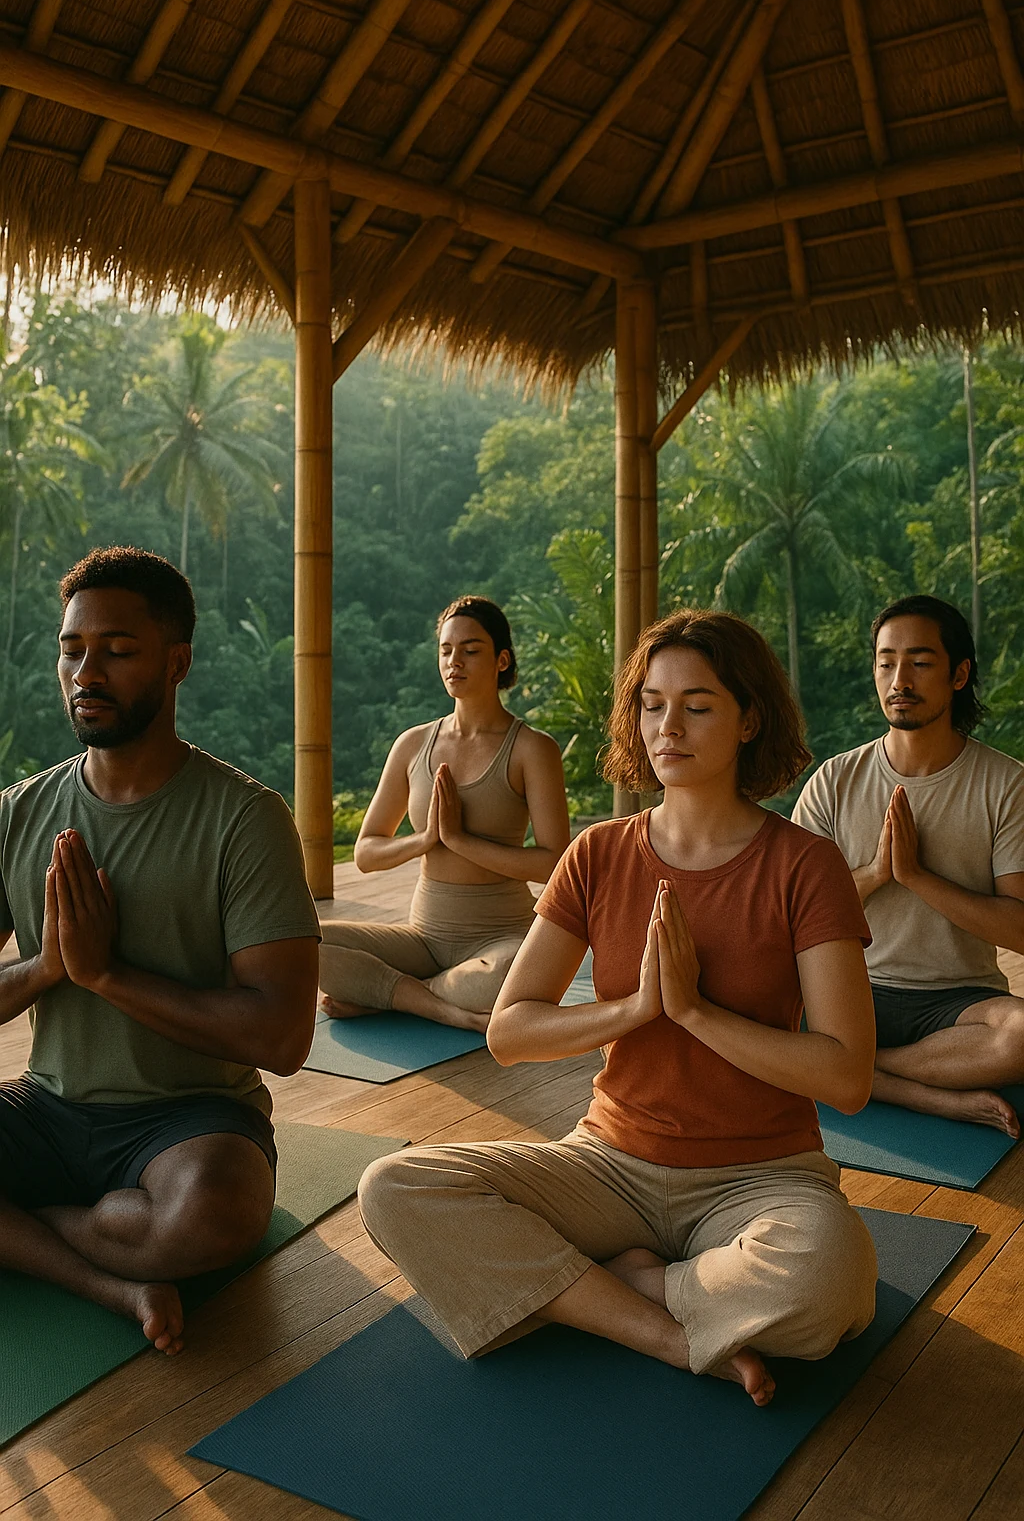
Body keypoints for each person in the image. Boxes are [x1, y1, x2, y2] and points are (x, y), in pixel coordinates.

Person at [358, 610, 878, 1406]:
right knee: (394, 1186)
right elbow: (510, 1032)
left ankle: (621, 1283)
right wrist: (638, 1008)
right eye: (652, 703)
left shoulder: (805, 865)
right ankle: (665, 1331)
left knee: (831, 1279)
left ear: (750, 720)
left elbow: (846, 1076)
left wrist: (698, 1013)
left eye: (698, 705)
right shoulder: (599, 854)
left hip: (760, 1176)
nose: (669, 725)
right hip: (609, 1164)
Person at [0, 547, 321, 1356]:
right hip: (47, 1106)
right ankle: (108, 1280)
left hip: (188, 1120)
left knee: (217, 1214)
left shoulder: (244, 819)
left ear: (176, 663)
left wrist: (110, 976)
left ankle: (29, 1231)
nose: (86, 670)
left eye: (118, 649)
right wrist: (48, 969)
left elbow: (282, 1040)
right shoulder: (19, 812)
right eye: (72, 649)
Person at [793, 594, 1024, 1137]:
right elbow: (789, 918)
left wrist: (919, 878)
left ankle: (865, 1072)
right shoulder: (834, 781)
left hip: (958, 1004)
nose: (900, 679)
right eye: (886, 662)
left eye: (920, 662)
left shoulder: (1007, 785)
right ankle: (929, 1095)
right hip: (846, 988)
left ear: (959, 674)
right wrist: (875, 873)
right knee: (733, 1004)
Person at [319, 596, 570, 1031]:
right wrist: (426, 839)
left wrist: (460, 841)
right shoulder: (413, 745)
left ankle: (390, 994)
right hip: (423, 939)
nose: (455, 661)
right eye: (446, 650)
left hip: (503, 940)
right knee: (301, 940)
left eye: (471, 650)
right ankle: (436, 1002)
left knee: (512, 975)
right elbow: (366, 852)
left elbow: (554, 863)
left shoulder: (532, 749)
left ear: (501, 659)